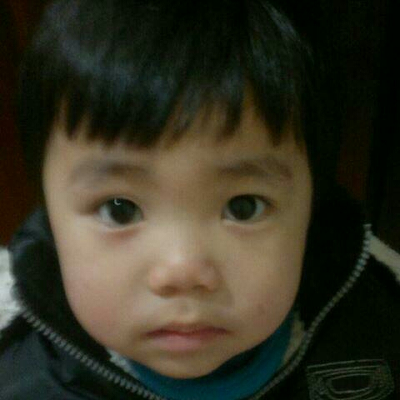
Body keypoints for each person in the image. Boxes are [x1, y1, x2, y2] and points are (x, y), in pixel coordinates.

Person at [0, 0, 399, 399]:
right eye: (119, 210)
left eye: (244, 207)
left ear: (312, 206)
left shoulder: (374, 332)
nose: (183, 271)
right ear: (50, 214)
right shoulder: (24, 379)